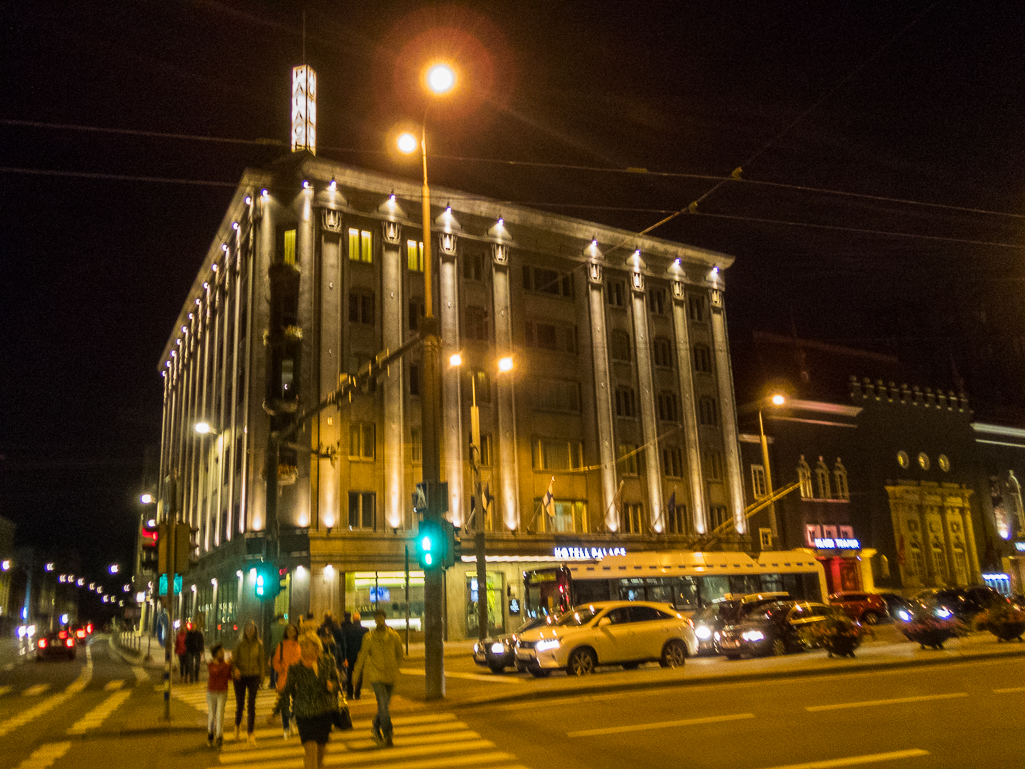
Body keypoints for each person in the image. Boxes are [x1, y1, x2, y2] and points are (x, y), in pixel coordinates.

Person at [269, 632, 342, 769]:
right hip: (304, 713)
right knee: (311, 749)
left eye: (307, 645)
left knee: (320, 753)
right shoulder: (296, 668)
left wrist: (333, 686)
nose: (303, 648)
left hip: (324, 711)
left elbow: (337, 683)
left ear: (316, 647)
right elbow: (287, 691)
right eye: (302, 645)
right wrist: (275, 712)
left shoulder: (328, 661)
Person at [353, 610, 403, 747]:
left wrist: (395, 667)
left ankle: (375, 726)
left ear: (385, 618)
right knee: (383, 705)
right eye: (377, 618)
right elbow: (362, 656)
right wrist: (355, 676)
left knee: (384, 707)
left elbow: (400, 654)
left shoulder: (394, 636)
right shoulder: (369, 638)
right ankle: (388, 734)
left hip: (390, 676)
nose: (379, 620)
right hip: (376, 676)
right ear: (375, 620)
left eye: (381, 617)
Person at [231, 620, 266, 745]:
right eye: (247, 628)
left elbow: (262, 663)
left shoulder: (259, 645)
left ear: (255, 630)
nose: (249, 631)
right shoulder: (239, 644)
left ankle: (250, 733)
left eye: (252, 628)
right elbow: (233, 661)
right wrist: (235, 670)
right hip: (240, 677)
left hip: (254, 676)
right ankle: (237, 727)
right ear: (244, 630)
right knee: (240, 704)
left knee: (251, 704)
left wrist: (261, 679)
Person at [271, 622, 301, 739]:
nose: (291, 633)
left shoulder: (299, 646)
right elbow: (275, 662)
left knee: (297, 703)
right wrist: (281, 669)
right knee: (284, 704)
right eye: (289, 631)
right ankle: (286, 727)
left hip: (296, 679)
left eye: (293, 631)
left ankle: (293, 719)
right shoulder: (281, 645)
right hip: (284, 678)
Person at [206, 643, 231, 748]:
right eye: (221, 652)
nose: (223, 653)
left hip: (222, 692)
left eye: (223, 652)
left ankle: (219, 736)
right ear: (216, 654)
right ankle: (210, 734)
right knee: (212, 714)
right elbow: (214, 672)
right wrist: (226, 665)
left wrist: (235, 673)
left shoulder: (226, 665)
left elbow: (229, 676)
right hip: (212, 692)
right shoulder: (211, 664)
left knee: (220, 714)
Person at [341, 611, 367, 700]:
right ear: (360, 620)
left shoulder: (348, 630)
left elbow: (345, 643)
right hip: (360, 655)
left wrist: (345, 656)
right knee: (359, 674)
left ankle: (350, 693)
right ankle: (357, 693)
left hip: (350, 654)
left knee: (349, 673)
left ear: (353, 619)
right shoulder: (365, 630)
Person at [186, 616, 205, 683]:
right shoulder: (188, 633)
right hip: (190, 650)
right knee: (190, 664)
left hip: (197, 650)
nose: (193, 626)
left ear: (195, 626)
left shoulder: (199, 634)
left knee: (197, 664)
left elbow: (201, 642)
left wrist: (201, 649)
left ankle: (196, 677)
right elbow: (186, 642)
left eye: (194, 625)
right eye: (192, 625)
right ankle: (191, 678)